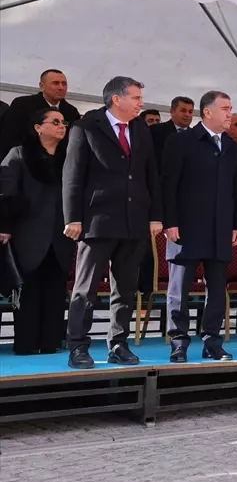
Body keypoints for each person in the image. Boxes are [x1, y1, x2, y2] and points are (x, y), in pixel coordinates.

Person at [62, 76, 162, 369]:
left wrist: (155, 215)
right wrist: (73, 218)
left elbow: (151, 175)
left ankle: (118, 344)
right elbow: (72, 175)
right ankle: (78, 346)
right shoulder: (86, 126)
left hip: (134, 220)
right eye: (136, 98)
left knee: (126, 289)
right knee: (86, 288)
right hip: (97, 220)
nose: (141, 104)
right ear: (117, 99)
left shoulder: (141, 129)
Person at [160, 91, 237, 362]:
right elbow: (168, 185)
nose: (230, 113)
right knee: (179, 289)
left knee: (217, 289)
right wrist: (170, 222)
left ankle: (212, 341)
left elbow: (236, 191)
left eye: (231, 108)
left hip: (220, 229)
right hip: (186, 227)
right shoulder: (181, 140)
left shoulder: (232, 147)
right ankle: (179, 341)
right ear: (207, 112)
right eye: (225, 108)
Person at [0, 108, 74, 354]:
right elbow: (6, 193)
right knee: (28, 291)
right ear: (38, 127)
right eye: (55, 122)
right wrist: (5, 226)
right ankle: (26, 345)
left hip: (61, 234)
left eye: (63, 122)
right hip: (27, 232)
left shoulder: (70, 156)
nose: (61, 126)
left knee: (55, 290)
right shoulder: (19, 155)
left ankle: (51, 343)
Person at [0, 69, 81, 157]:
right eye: (55, 83)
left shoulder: (71, 112)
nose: (61, 87)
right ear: (42, 86)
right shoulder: (22, 104)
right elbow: (9, 136)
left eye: (64, 84)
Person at [150, 96, 195, 162]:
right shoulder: (155, 131)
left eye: (190, 112)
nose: (187, 115)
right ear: (172, 111)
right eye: (183, 111)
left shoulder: (196, 135)